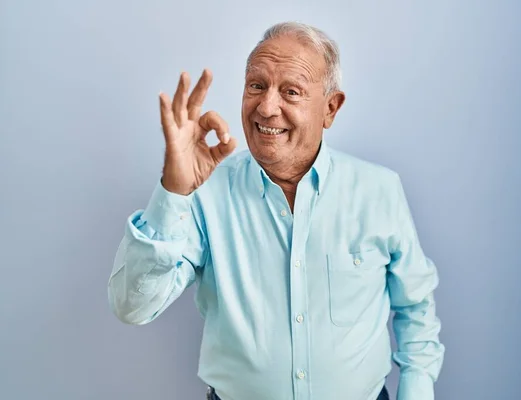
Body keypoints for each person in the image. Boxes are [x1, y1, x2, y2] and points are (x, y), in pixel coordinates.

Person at [108, 21, 444, 400]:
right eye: (256, 86)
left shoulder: (379, 190)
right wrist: (173, 190)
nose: (267, 108)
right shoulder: (204, 193)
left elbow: (415, 308)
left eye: (291, 91)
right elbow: (132, 307)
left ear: (330, 109)